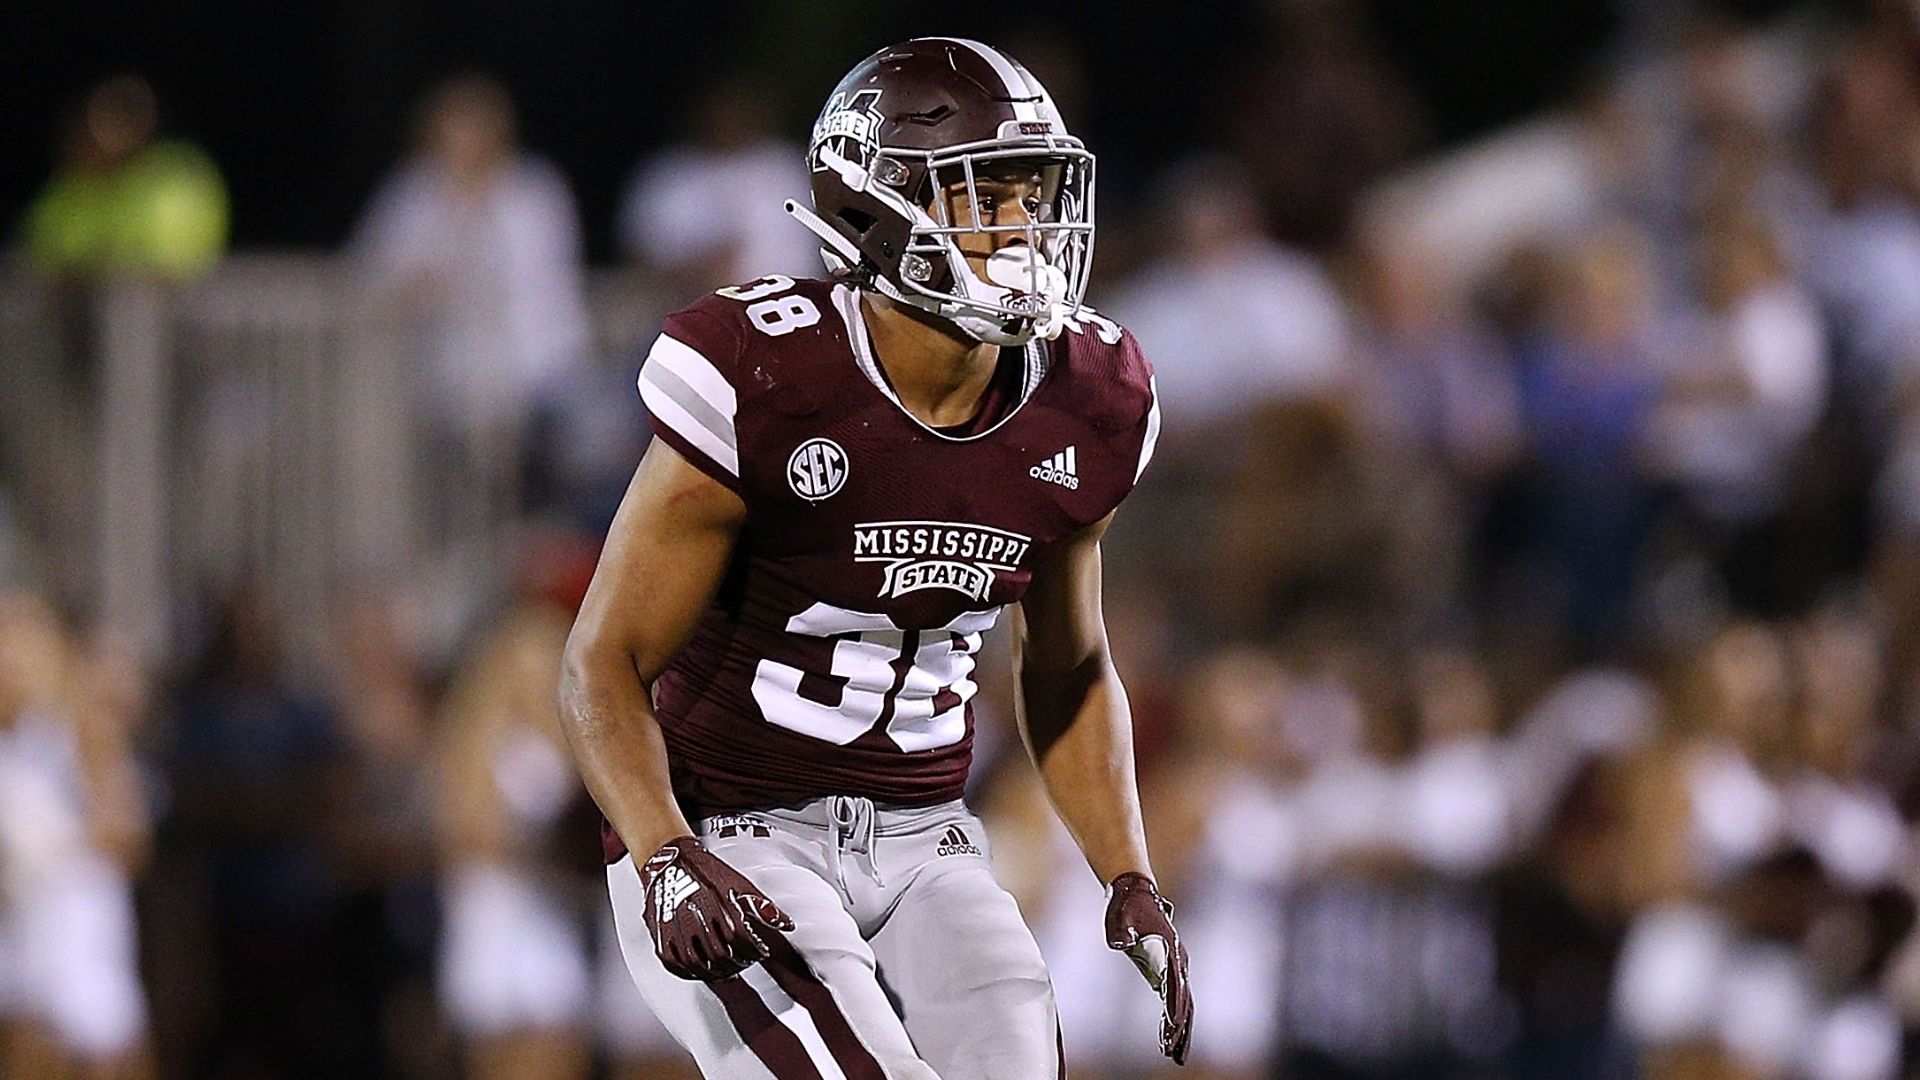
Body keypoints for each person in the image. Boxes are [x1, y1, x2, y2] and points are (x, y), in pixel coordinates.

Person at [559, 38, 1193, 1078]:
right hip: (730, 835)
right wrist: (666, 854)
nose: (1023, 227)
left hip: (931, 844)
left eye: (1032, 193)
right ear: (873, 210)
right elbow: (602, 662)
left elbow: (1069, 666)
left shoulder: (1091, 394)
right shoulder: (764, 372)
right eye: (983, 194)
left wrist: (1127, 873)